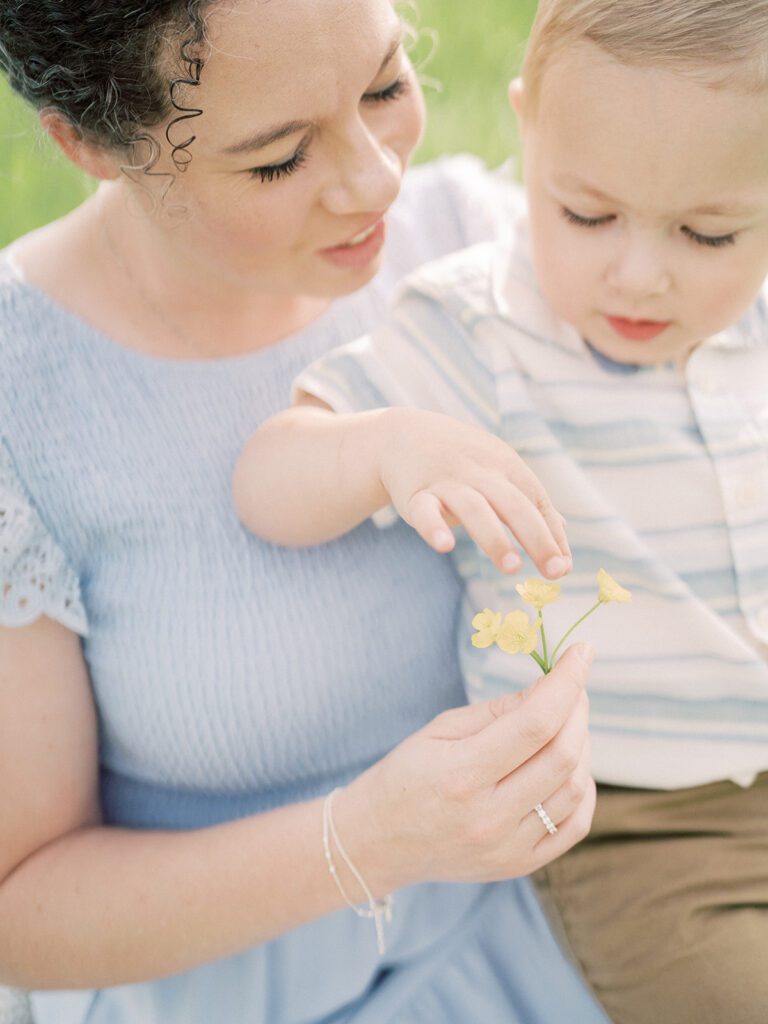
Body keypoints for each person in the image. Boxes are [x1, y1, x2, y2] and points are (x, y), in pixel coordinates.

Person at [0, 2, 610, 1023]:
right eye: (278, 158)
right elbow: (19, 904)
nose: (378, 179)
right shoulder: (25, 400)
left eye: (385, 83)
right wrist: (369, 839)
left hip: (538, 953)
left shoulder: (477, 245)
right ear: (92, 143)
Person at [235, 1, 768, 1022]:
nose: (641, 271)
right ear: (529, 131)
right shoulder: (479, 328)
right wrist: (387, 447)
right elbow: (269, 477)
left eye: (710, 231)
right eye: (588, 214)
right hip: (635, 821)